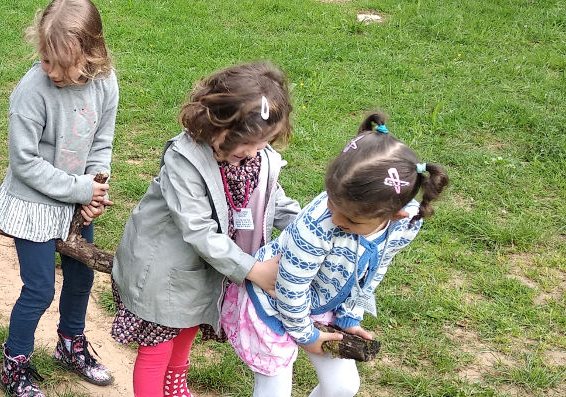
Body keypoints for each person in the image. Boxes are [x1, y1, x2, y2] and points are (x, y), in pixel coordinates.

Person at [219, 112, 450, 397]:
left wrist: (349, 317)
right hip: (271, 300)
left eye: (351, 220)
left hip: (320, 302)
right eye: (330, 201)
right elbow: (290, 289)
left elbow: (375, 268)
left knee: (343, 386)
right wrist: (308, 337)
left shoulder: (405, 224)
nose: (336, 217)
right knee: (275, 391)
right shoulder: (315, 226)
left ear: (394, 215)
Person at [111, 62, 300, 397]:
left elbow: (273, 201)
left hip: (206, 269)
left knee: (189, 326)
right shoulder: (184, 160)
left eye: (265, 142)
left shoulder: (256, 158)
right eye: (251, 143)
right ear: (219, 128)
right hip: (163, 271)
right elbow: (198, 229)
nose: (257, 152)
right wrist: (252, 269)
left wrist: (306, 230)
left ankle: (176, 385)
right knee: (157, 346)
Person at [0, 1, 119, 395]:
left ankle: (70, 344)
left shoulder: (105, 83)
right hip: (33, 205)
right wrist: (81, 189)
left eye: (65, 64)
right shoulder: (32, 91)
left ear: (92, 53)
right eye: (47, 61)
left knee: (81, 277)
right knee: (40, 288)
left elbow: (101, 140)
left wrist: (95, 188)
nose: (54, 73)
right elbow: (25, 163)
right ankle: (15, 362)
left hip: (76, 203)